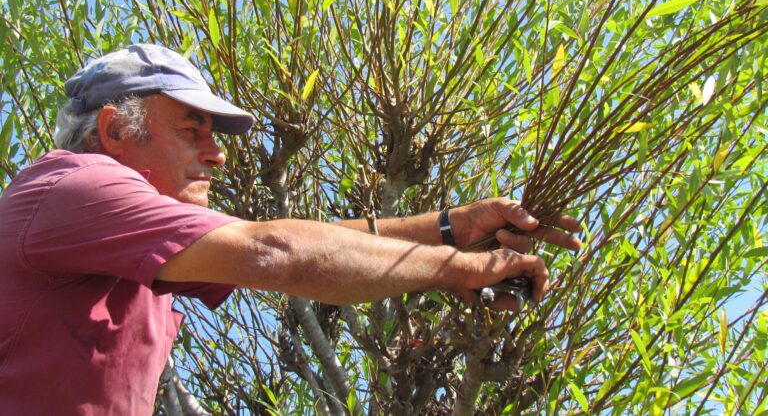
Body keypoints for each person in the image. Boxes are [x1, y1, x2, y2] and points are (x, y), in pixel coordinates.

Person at [0, 44, 581, 414]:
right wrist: (464, 270)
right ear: (115, 131)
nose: (216, 154)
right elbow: (273, 250)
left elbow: (309, 239)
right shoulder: (73, 186)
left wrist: (453, 228)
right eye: (191, 129)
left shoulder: (128, 237)